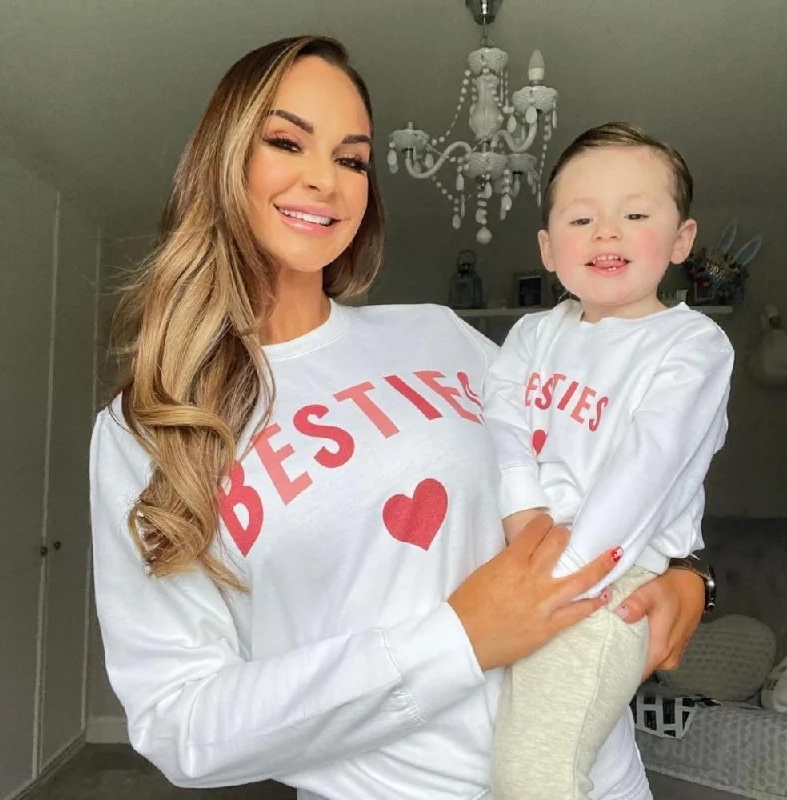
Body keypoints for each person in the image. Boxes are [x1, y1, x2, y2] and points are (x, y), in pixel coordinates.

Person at [90, 37, 710, 800]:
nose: (325, 179)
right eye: (287, 142)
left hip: (598, 778)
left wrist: (688, 577)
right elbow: (181, 722)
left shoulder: (442, 336)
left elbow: (604, 456)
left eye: (352, 159)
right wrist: (457, 641)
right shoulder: (147, 428)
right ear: (222, 162)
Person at [484, 122, 733, 800]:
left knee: (534, 776)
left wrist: (562, 576)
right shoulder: (536, 332)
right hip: (532, 564)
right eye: (582, 217)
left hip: (606, 583)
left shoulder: (691, 344)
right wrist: (522, 509)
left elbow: (646, 467)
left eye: (635, 214)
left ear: (681, 239)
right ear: (548, 247)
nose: (607, 232)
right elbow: (501, 414)